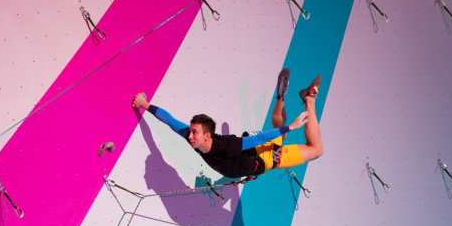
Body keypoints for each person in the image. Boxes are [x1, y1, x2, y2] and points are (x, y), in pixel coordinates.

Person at [131, 69, 323, 183]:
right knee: (278, 135)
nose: (189, 136)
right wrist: (144, 105)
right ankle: (281, 98)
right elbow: (171, 121)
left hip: (262, 156)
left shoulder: (226, 146)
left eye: (195, 133)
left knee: (315, 150)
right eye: (191, 132)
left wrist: (291, 127)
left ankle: (309, 99)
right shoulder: (195, 139)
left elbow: (258, 139)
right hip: (253, 152)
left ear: (207, 136)